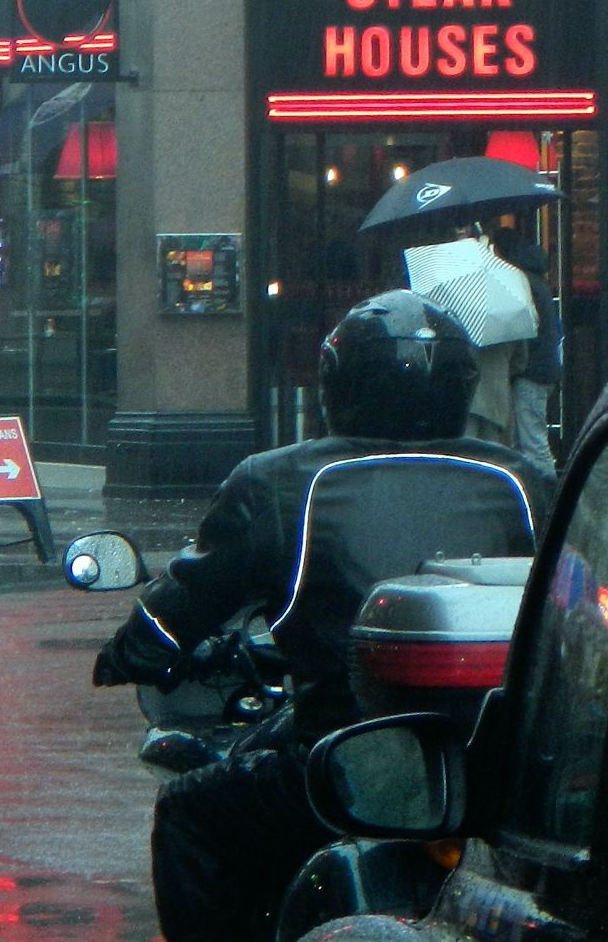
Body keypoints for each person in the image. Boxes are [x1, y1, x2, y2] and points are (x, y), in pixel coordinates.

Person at [94, 291, 556, 942]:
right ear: (462, 384)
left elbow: (184, 606)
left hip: (348, 759)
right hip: (496, 765)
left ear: (337, 380)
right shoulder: (523, 478)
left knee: (187, 812)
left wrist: (132, 650)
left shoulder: (281, 481)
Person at [492, 226, 561, 465]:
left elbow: (524, 330)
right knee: (528, 441)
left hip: (532, 372)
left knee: (533, 443)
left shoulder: (522, 283)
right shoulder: (536, 280)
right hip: (543, 369)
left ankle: (550, 495)